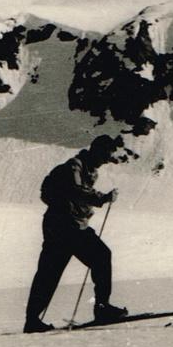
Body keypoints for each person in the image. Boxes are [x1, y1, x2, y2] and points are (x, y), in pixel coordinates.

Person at [24, 134, 130, 333]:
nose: (106, 160)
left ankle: (32, 320)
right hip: (67, 227)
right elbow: (76, 191)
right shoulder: (76, 167)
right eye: (106, 155)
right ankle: (102, 308)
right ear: (97, 151)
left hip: (61, 226)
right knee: (100, 256)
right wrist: (102, 198)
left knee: (49, 272)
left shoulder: (86, 169)